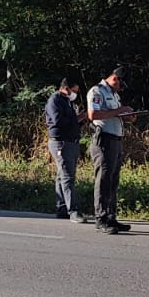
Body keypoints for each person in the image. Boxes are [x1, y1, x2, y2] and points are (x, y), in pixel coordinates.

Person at [87, 66, 138, 234]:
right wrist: (119, 111)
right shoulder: (97, 91)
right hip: (104, 141)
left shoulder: (114, 94)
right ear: (115, 79)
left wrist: (127, 116)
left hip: (116, 140)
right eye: (121, 85)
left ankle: (111, 217)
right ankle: (100, 218)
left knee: (113, 181)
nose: (121, 89)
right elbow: (93, 114)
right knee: (103, 179)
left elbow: (114, 115)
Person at [45, 77, 88, 222]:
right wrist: (77, 118)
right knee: (67, 176)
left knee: (61, 175)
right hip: (60, 143)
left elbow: (72, 123)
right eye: (73, 90)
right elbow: (58, 121)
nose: (74, 94)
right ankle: (73, 211)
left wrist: (81, 120)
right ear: (66, 88)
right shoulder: (54, 100)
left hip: (71, 141)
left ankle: (61, 207)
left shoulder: (68, 102)